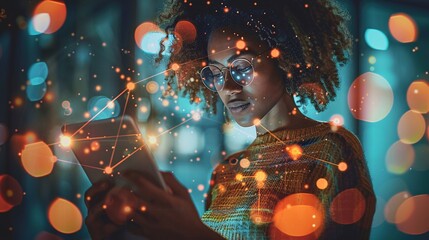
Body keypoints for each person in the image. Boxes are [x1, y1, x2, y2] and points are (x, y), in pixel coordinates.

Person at [85, 0, 376, 239]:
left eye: (241, 67)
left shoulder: (331, 152)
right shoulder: (226, 172)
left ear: (284, 60)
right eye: (215, 73)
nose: (228, 87)